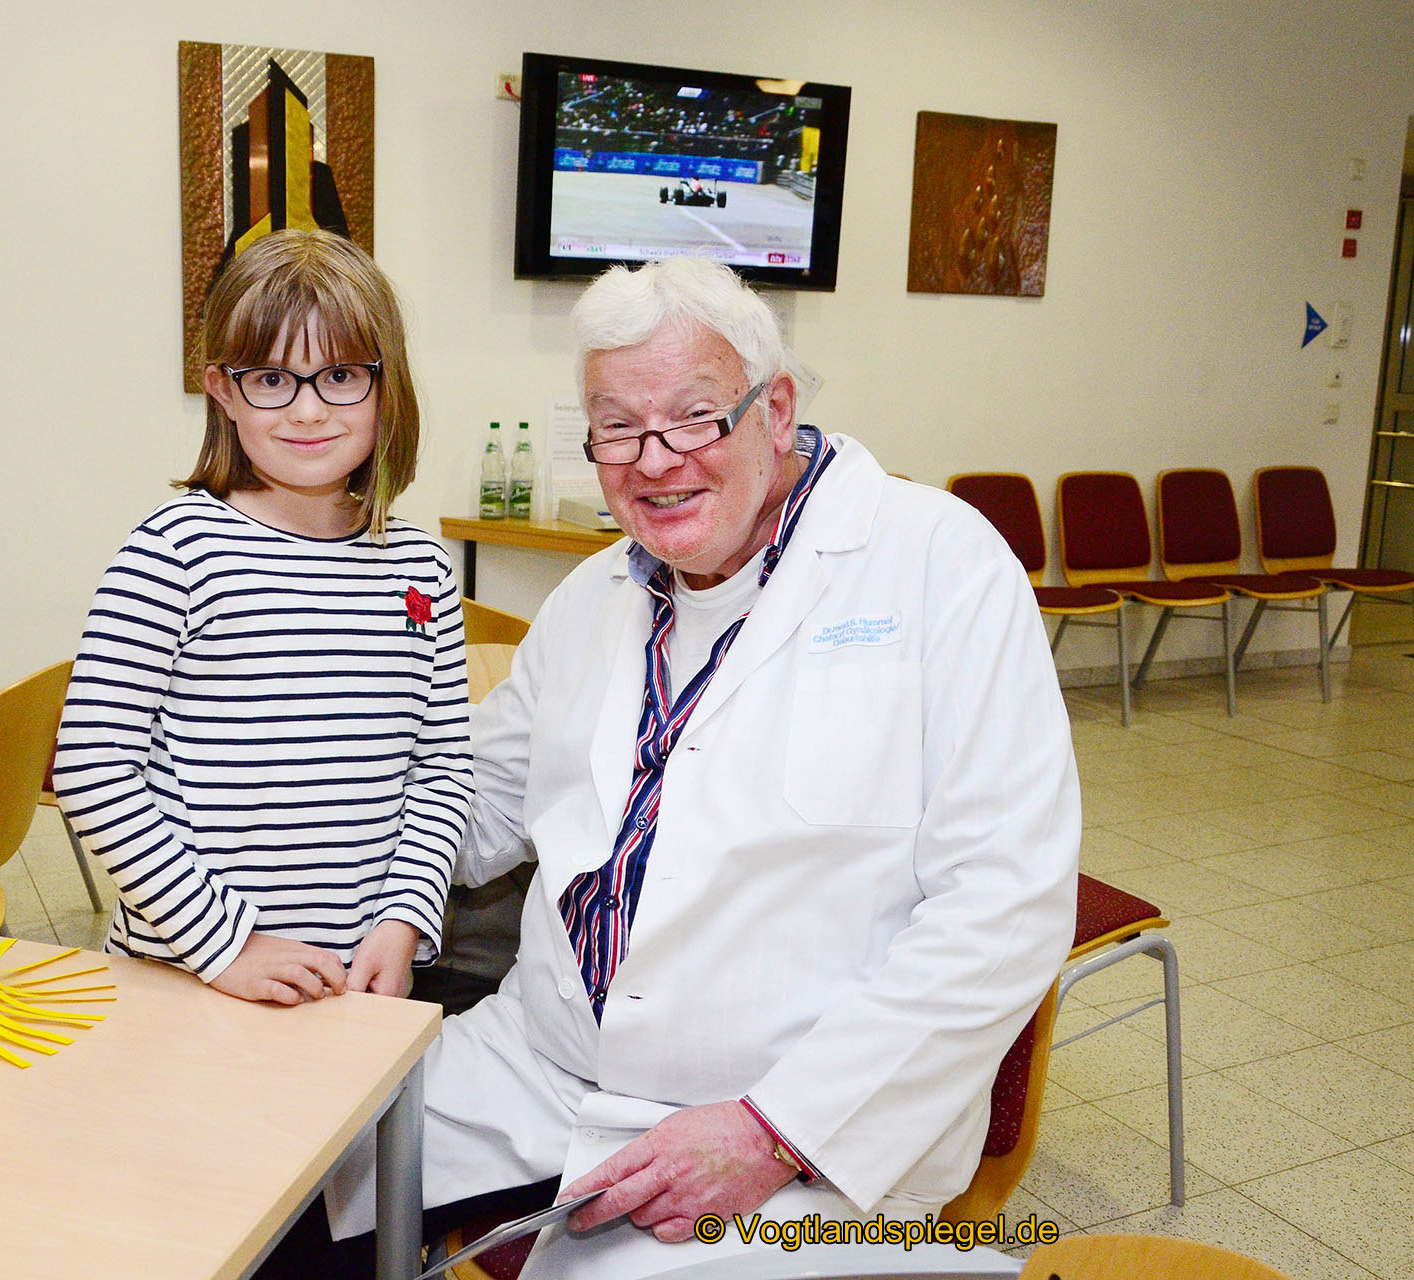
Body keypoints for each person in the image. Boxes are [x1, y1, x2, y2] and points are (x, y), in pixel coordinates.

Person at [317, 256, 1080, 1279]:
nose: (655, 458)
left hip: (786, 1121)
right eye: (617, 427)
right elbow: (474, 793)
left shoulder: (940, 564)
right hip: (544, 1065)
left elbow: (1007, 902)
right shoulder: (594, 596)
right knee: (281, 1183)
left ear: (778, 410)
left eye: (694, 415)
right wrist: (258, 898)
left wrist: (774, 1128)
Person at [53, 228, 473, 1006]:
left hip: (352, 974)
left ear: (388, 387)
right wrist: (226, 945)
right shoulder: (176, 549)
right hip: (185, 970)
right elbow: (92, 768)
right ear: (223, 391)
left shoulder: (421, 567)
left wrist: (406, 917)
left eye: (342, 375)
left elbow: (442, 766)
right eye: (272, 378)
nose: (308, 410)